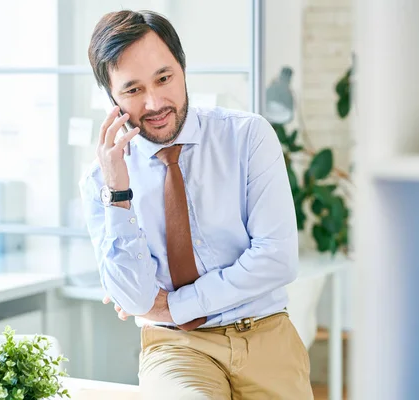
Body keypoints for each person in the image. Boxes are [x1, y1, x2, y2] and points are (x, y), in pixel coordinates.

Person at [80, 9, 312, 399]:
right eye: (133, 90)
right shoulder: (102, 181)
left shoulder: (248, 137)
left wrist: (176, 305)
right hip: (176, 349)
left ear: (183, 69)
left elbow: (277, 258)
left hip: (266, 333)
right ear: (112, 99)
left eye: (164, 78)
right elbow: (135, 299)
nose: (154, 102)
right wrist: (118, 191)